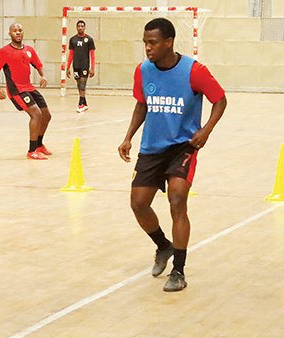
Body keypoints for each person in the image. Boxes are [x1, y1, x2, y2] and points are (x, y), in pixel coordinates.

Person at [118, 18, 227, 292]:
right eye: (145, 42)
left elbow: (220, 99)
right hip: (152, 148)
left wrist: (206, 130)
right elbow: (141, 105)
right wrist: (128, 136)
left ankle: (178, 270)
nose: (148, 48)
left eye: (153, 42)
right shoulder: (143, 71)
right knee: (138, 203)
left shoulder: (194, 71)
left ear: (169, 42)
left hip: (183, 147)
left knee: (177, 200)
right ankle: (163, 246)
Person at [0, 23, 53, 160]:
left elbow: (38, 65)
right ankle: (32, 151)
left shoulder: (29, 50)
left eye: (20, 30)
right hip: (16, 90)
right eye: (15, 31)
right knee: (36, 114)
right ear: (10, 34)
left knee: (47, 115)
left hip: (29, 87)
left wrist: (43, 76)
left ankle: (39, 144)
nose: (18, 33)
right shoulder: (4, 51)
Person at [66, 20, 96, 113]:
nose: (80, 28)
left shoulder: (89, 39)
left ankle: (80, 104)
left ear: (84, 27)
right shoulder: (72, 39)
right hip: (76, 66)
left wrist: (92, 68)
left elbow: (92, 55)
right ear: (76, 27)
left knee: (83, 84)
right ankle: (85, 103)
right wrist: (67, 67)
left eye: (82, 26)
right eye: (79, 26)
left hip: (85, 65)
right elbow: (70, 54)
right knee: (79, 84)